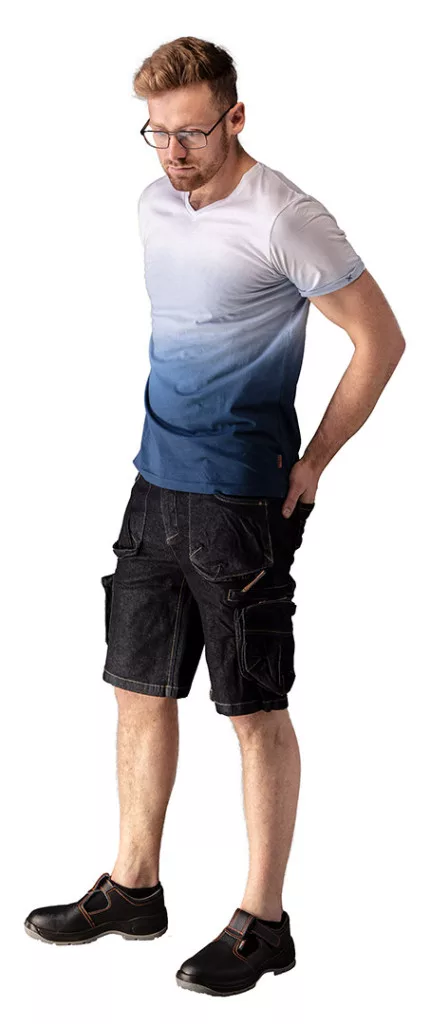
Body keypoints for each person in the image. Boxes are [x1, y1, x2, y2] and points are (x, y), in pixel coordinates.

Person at [24, 36, 406, 997]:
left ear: (236, 117)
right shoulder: (152, 203)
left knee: (252, 708)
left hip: (241, 499)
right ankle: (134, 887)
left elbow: (382, 339)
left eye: (192, 132)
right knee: (136, 686)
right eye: (156, 133)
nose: (173, 152)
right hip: (154, 484)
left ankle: (263, 923)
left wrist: (314, 462)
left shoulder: (286, 216)